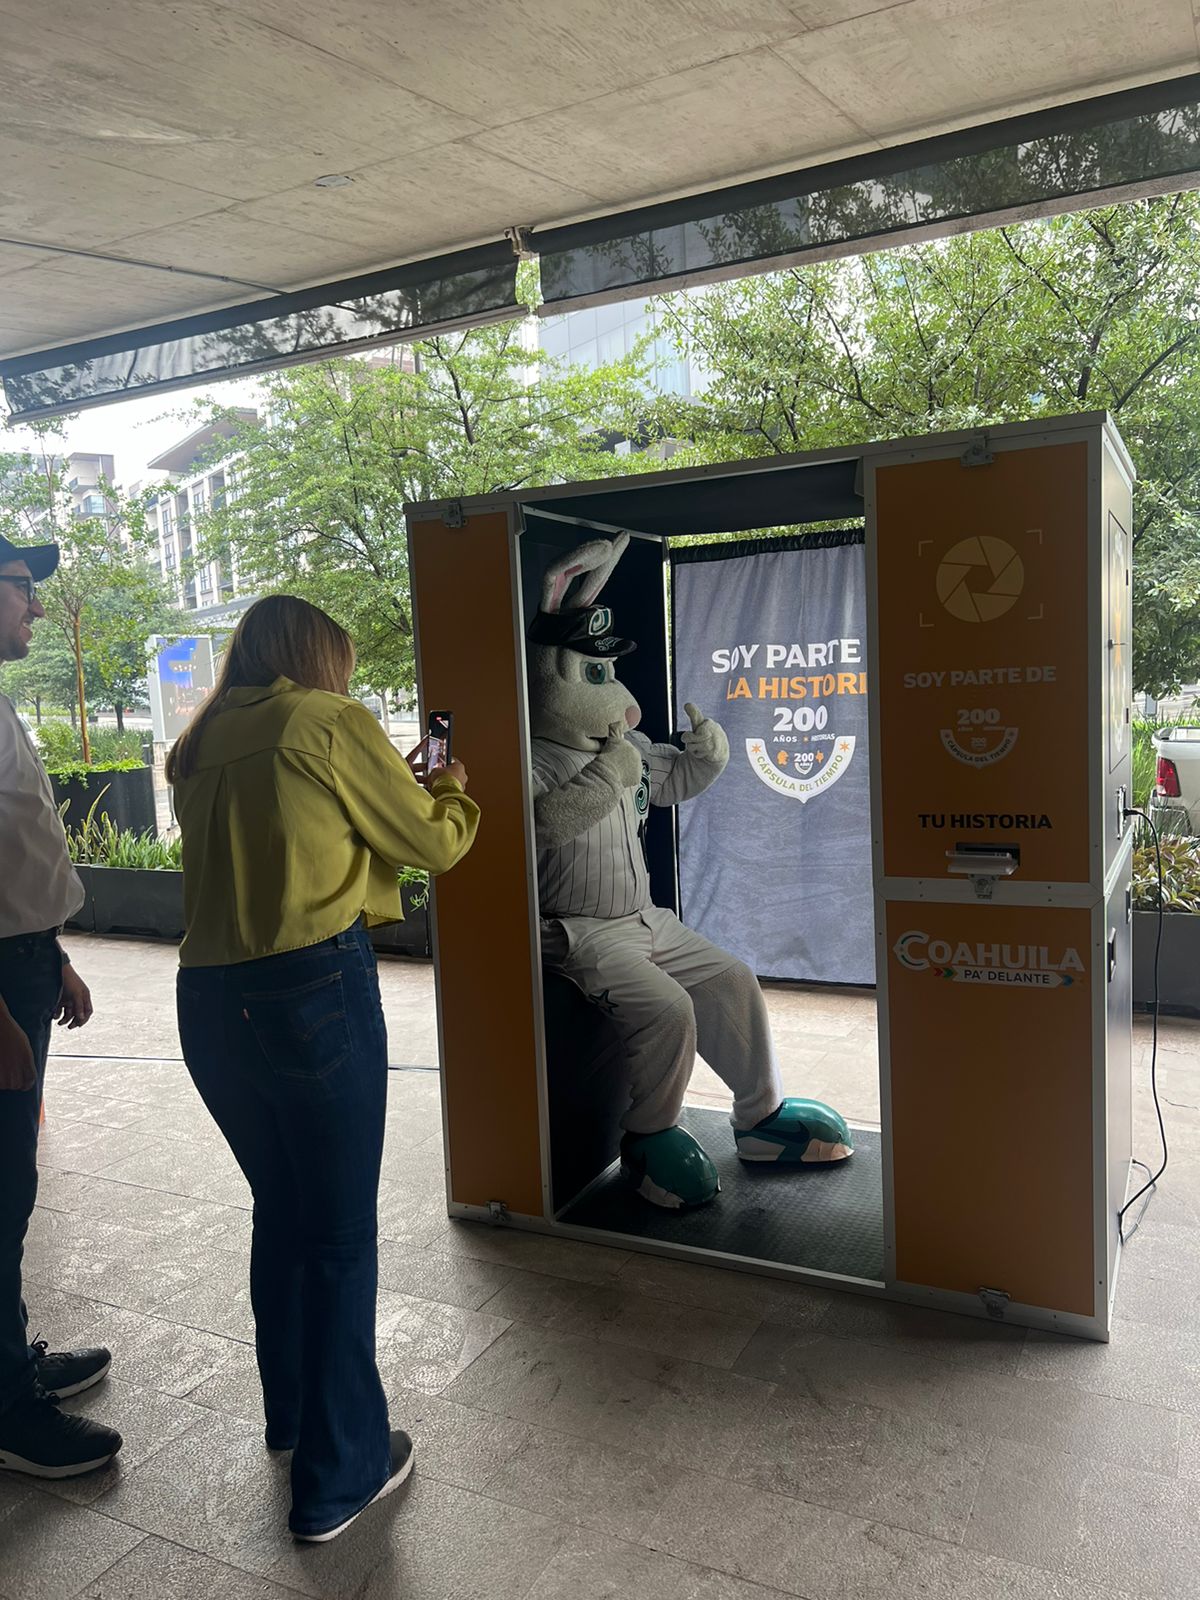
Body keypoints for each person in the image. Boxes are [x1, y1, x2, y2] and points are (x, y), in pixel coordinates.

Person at [166, 595, 478, 1543]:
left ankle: (295, 1417)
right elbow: (428, 844)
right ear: (317, 657)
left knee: (285, 1210)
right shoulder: (328, 720)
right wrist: (453, 786)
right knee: (340, 1232)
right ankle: (339, 1475)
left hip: (208, 1000)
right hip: (310, 990)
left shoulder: (201, 740)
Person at [0, 535, 122, 1479]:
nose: (36, 609)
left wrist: (53, 952)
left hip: (22, 960)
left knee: (13, 1189)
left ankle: (10, 1360)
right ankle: (7, 1410)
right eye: (22, 591)